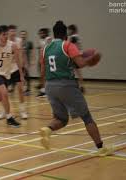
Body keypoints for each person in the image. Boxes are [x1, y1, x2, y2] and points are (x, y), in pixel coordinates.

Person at [39, 21, 114, 156]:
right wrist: (92, 59)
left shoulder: (45, 48)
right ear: (65, 34)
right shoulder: (68, 45)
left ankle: (47, 129)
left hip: (49, 86)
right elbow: (81, 63)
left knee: (61, 119)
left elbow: (43, 71)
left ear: (54, 33)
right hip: (66, 85)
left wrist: (41, 86)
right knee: (86, 117)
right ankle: (101, 148)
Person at [0, 25, 28, 120]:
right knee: (2, 92)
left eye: (14, 31)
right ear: (8, 32)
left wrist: (23, 68)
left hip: (16, 68)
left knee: (20, 89)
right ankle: (3, 111)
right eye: (11, 31)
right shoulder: (4, 42)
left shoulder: (18, 41)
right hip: (6, 70)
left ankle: (23, 111)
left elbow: (21, 54)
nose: (13, 32)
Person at [68, 24, 85, 94]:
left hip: (75, 56)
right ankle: (80, 86)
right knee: (77, 72)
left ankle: (80, 87)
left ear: (72, 30)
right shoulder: (77, 36)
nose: (68, 31)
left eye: (69, 30)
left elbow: (69, 45)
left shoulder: (73, 37)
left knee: (75, 72)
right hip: (78, 55)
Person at [36, 28, 52, 98]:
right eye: (40, 33)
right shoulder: (40, 40)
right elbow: (40, 50)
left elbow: (49, 49)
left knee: (44, 76)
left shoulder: (48, 39)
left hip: (46, 60)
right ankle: (43, 90)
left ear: (45, 33)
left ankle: (44, 91)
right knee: (42, 75)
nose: (40, 34)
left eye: (42, 33)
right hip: (41, 59)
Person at [20, 30, 35, 95]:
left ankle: (28, 90)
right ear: (20, 35)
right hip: (19, 63)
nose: (23, 35)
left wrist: (32, 60)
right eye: (22, 34)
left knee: (27, 76)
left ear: (26, 35)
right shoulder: (18, 43)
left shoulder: (29, 43)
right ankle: (22, 89)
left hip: (26, 62)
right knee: (20, 76)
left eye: (24, 34)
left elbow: (32, 52)